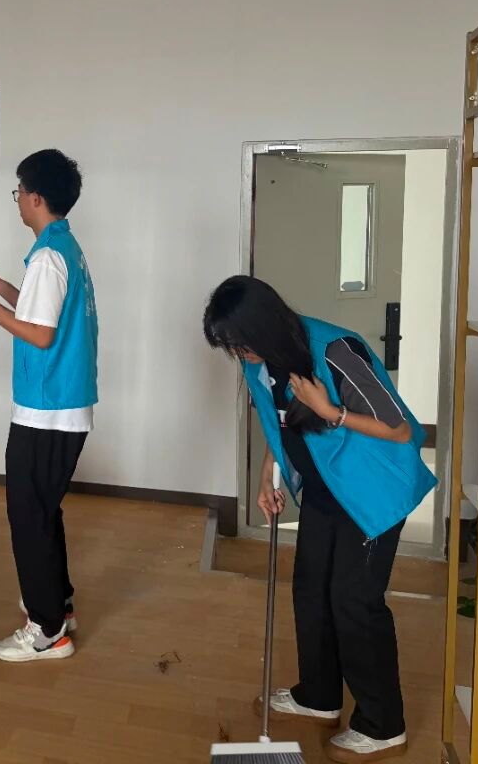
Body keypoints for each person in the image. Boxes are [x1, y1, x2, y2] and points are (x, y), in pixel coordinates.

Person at [202, 275, 436, 763]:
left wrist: (330, 411)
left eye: (240, 342)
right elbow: (280, 421)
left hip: (371, 491)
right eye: (229, 347)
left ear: (263, 326)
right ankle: (319, 695)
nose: (238, 354)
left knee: (354, 602)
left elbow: (399, 428)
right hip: (327, 489)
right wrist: (268, 473)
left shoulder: (335, 349)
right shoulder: (258, 361)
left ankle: (383, 725)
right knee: (311, 590)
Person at [0, 149, 98, 663]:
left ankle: (47, 631)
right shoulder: (62, 248)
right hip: (62, 403)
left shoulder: (48, 256)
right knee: (42, 510)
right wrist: (1, 290)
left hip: (48, 407)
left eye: (18, 191)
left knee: (28, 516)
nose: (16, 199)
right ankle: (58, 605)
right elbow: (45, 315)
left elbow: (40, 335)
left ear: (36, 197)